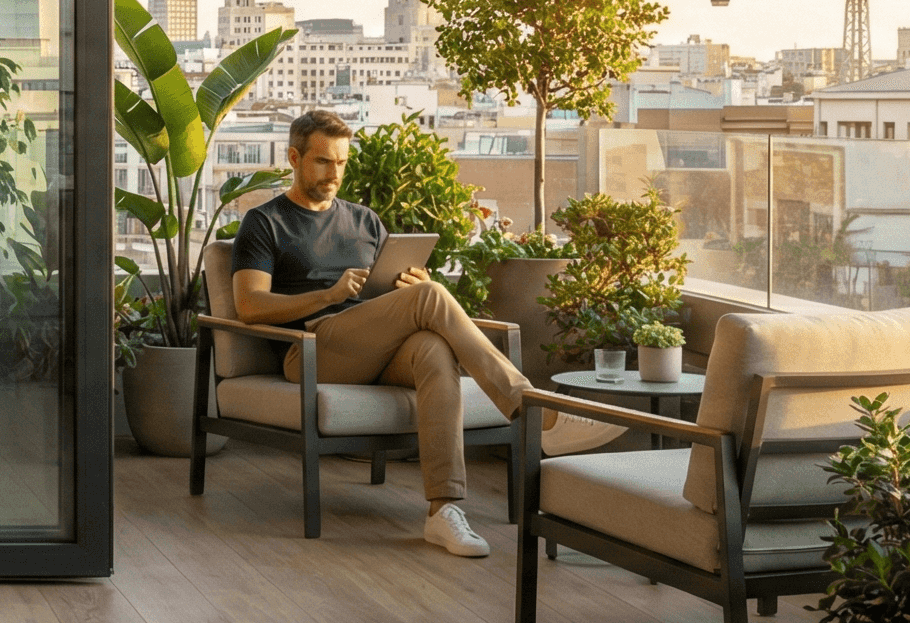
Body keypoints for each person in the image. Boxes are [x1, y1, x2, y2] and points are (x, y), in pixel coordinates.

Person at [229, 108, 620, 556]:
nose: (334, 173)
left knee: (433, 347)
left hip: (373, 346)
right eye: (323, 161)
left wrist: (410, 285)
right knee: (431, 298)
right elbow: (249, 306)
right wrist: (328, 295)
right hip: (311, 350)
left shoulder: (364, 220)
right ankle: (534, 410)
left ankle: (443, 510)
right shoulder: (264, 222)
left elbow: (382, 290)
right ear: (295, 158)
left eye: (341, 162)